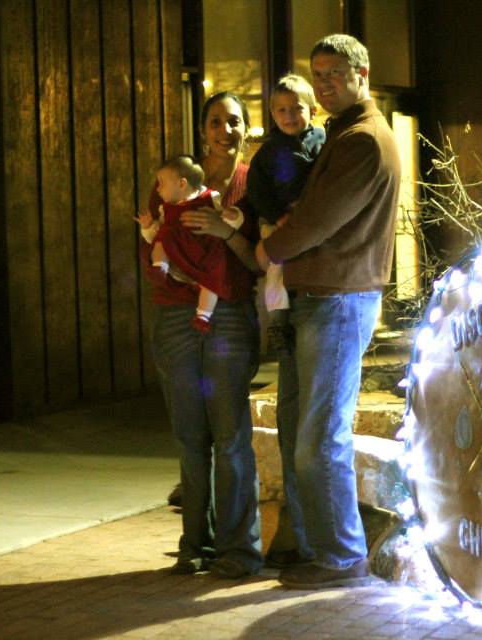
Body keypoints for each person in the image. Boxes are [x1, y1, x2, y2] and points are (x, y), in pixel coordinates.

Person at [256, 34, 401, 589]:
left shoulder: (361, 140)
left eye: (335, 73)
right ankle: (319, 547)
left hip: (337, 299)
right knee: (303, 431)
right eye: (317, 74)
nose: (324, 83)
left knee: (320, 437)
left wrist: (271, 249)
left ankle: (340, 555)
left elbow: (318, 218)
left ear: (362, 74)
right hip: (321, 297)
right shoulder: (343, 133)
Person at [141, 91, 263, 580]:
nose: (224, 130)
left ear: (245, 129)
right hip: (175, 317)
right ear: (202, 129)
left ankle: (238, 549)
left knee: (230, 435)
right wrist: (172, 275)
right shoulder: (174, 179)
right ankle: (194, 544)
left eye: (233, 121)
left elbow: (260, 258)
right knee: (190, 436)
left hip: (228, 315)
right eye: (215, 121)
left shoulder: (252, 184)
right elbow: (151, 245)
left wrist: (225, 231)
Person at [246, 74, 325, 356]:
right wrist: (278, 215)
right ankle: (278, 323)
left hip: (311, 219)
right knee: (276, 270)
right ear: (272, 114)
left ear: (313, 111)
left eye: (296, 108)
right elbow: (256, 190)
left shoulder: (323, 140)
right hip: (277, 219)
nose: (289, 116)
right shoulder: (268, 151)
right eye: (282, 110)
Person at [136, 155, 244, 333]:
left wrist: (233, 216)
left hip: (206, 253)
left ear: (182, 184)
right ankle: (159, 267)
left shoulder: (210, 198)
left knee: (211, 283)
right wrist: (148, 227)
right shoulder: (165, 209)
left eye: (161, 184)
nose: (158, 189)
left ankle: (203, 316)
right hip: (178, 256)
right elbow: (153, 237)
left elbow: (227, 220)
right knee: (163, 238)